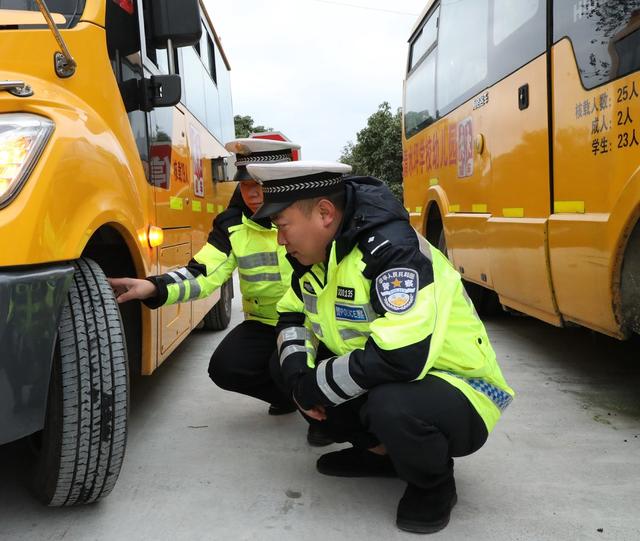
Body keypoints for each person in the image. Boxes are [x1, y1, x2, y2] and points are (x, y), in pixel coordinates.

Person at [246, 160, 514, 534]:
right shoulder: (316, 257)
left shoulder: (392, 253)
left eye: (282, 226)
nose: (279, 239)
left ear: (324, 213)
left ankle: (434, 484)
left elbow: (402, 357)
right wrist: (296, 378)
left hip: (460, 387)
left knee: (392, 404)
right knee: (285, 369)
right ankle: (383, 457)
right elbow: (291, 316)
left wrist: (313, 386)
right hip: (388, 375)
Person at [108, 139, 333, 446]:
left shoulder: (314, 217)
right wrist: (154, 287)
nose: (251, 193)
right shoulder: (232, 225)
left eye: (259, 183)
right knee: (226, 367)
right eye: (244, 184)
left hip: (316, 326)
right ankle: (293, 397)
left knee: (294, 365)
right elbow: (204, 273)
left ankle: (325, 416)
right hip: (266, 324)